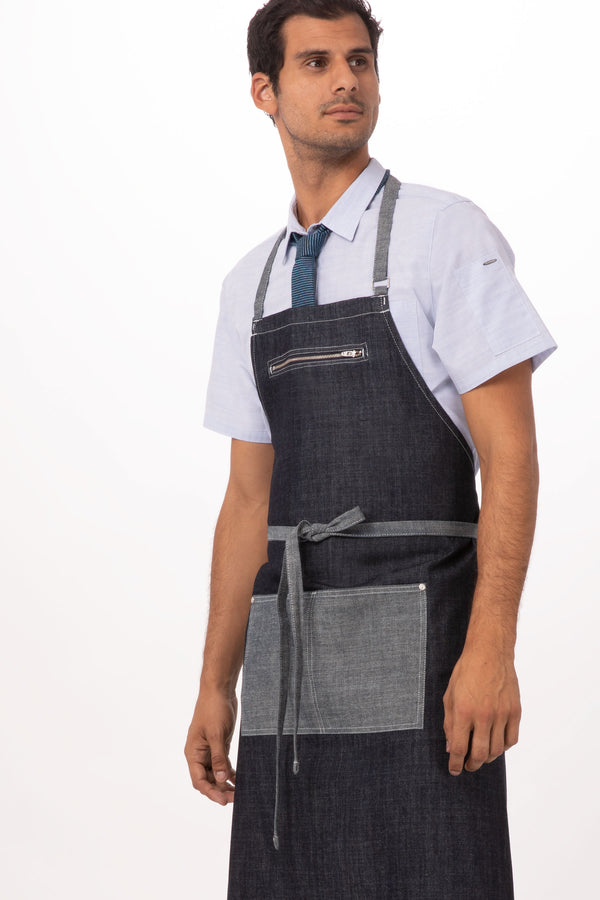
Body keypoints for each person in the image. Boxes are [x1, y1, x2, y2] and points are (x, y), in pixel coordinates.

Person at [184, 1, 556, 896]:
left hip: (430, 654)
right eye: (316, 63)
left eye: (360, 60)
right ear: (264, 91)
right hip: (289, 662)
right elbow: (247, 501)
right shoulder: (251, 285)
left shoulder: (445, 234)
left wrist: (493, 647)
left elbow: (511, 457)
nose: (346, 79)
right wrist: (215, 682)